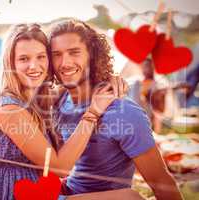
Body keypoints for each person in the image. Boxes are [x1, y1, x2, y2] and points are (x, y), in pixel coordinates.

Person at [0, 24, 141, 200]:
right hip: (12, 195)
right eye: (24, 59)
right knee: (129, 198)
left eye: (41, 57)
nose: (34, 66)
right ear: (10, 63)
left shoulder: (36, 100)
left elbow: (71, 86)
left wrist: (107, 79)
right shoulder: (9, 109)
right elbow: (59, 168)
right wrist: (92, 113)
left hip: (35, 191)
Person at [48, 19, 183, 200]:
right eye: (56, 54)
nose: (64, 63)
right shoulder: (60, 101)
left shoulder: (124, 112)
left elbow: (162, 182)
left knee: (131, 198)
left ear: (93, 56)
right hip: (67, 192)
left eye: (74, 52)